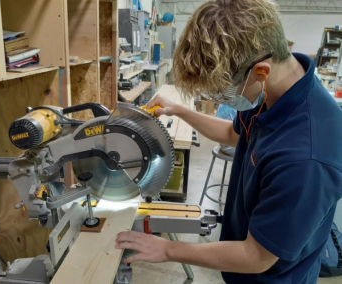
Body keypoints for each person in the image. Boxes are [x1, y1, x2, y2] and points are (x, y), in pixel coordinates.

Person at [115, 1, 342, 283]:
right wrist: (180, 111)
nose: (221, 99)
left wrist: (169, 249)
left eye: (224, 91)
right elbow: (234, 135)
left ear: (261, 72)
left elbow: (256, 257)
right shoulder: (273, 88)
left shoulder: (307, 159)